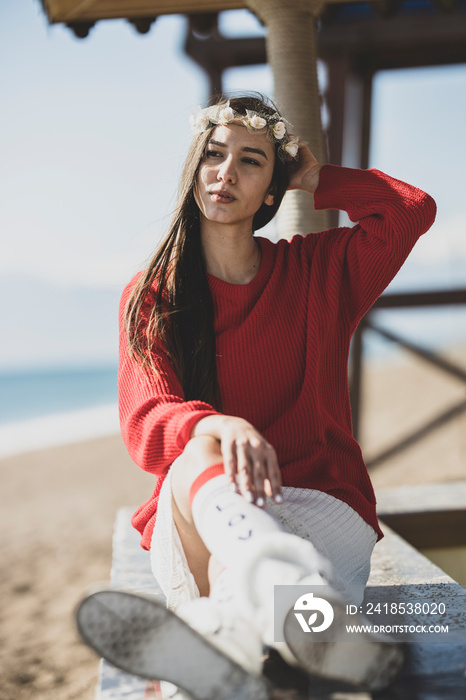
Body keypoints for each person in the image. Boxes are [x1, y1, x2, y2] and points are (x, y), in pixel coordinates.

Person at [81, 94, 436, 698]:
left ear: (274, 187)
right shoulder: (153, 296)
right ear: (194, 169)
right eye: (214, 155)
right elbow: (145, 419)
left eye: (251, 161)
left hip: (321, 506)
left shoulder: (321, 272)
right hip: (215, 513)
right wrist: (220, 426)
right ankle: (283, 621)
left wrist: (317, 177)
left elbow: (410, 210)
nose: (225, 173)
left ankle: (230, 643)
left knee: (232, 581)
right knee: (197, 457)